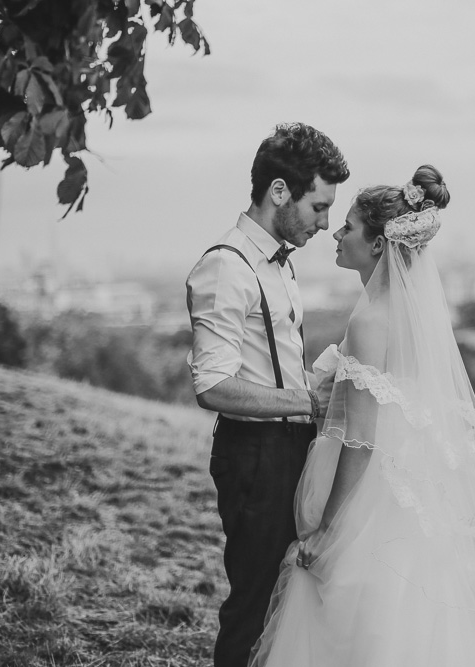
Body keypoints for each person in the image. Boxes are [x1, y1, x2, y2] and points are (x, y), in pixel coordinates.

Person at [249, 165, 475, 667]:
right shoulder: (409, 317)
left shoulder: (371, 320)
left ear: (376, 245)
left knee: (351, 619)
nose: (336, 232)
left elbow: (361, 440)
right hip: (409, 492)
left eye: (347, 225)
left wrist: (329, 526)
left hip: (371, 497)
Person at [185, 122, 350, 667]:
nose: (325, 224)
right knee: (253, 606)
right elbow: (211, 385)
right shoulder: (224, 267)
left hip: (292, 450)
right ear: (279, 191)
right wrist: (307, 402)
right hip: (254, 458)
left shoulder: (278, 260)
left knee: (292, 598)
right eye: (318, 207)